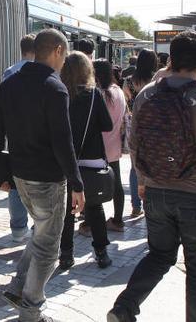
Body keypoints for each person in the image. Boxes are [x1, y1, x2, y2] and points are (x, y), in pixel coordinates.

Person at [108, 31, 196, 322]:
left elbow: (136, 144)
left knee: (159, 256)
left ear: (171, 58)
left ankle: (123, 308)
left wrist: (143, 181)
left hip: (155, 192)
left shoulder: (146, 94)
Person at [0, 28, 85, 322]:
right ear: (56, 50)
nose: (65, 60)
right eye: (65, 54)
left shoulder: (9, 84)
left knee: (40, 234)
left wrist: (1, 173)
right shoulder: (54, 88)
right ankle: (31, 310)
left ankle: (18, 288)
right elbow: (62, 141)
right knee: (48, 246)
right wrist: (77, 183)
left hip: (20, 176)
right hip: (48, 179)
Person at [59, 53, 114, 270]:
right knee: (94, 207)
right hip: (91, 159)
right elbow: (107, 125)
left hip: (65, 159)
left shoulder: (60, 93)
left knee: (67, 210)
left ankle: (66, 255)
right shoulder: (94, 96)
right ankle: (101, 253)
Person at [0, 34, 35, 242]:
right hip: (37, 134)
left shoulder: (9, 71)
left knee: (15, 184)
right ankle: (38, 224)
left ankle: (18, 229)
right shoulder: (43, 72)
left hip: (14, 134)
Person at [122, 49, 157, 218]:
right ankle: (151, 204)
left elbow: (126, 104)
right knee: (153, 164)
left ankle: (136, 206)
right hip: (154, 126)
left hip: (134, 124)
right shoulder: (158, 79)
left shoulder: (129, 81)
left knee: (134, 166)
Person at [94, 59, 128, 232]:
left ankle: (91, 223)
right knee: (117, 185)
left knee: (93, 186)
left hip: (98, 146)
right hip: (114, 145)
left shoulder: (99, 94)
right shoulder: (119, 91)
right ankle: (118, 220)